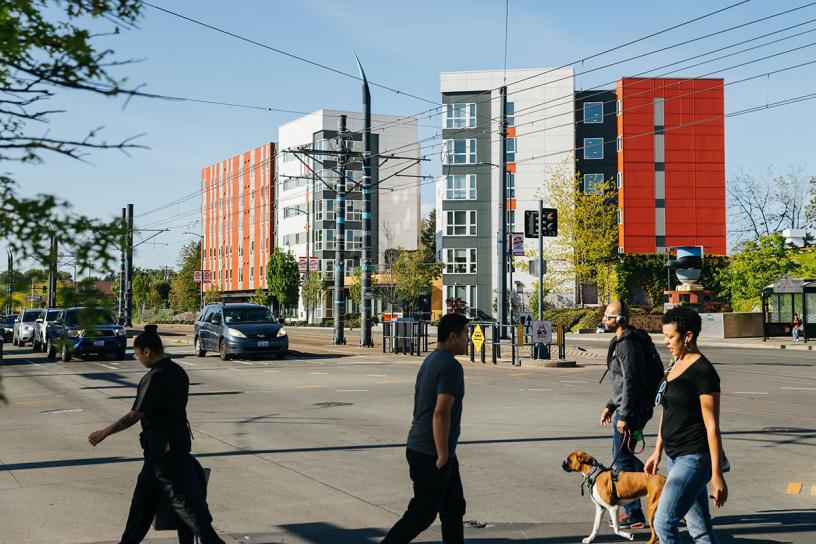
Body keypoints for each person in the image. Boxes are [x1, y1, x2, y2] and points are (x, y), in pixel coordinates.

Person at [88, 325, 224, 544]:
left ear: (148, 352)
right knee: (143, 506)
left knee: (183, 505)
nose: (137, 358)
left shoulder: (154, 377)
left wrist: (104, 433)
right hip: (171, 449)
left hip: (163, 453)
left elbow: (135, 415)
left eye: (137, 353)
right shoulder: (178, 371)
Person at [381, 313, 470, 544]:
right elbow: (441, 412)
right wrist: (442, 455)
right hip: (431, 451)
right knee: (422, 513)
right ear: (452, 336)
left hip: (431, 448)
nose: (468, 340)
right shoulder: (451, 366)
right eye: (465, 335)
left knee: (453, 507)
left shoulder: (431, 360)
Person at [645, 306, 727, 544]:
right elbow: (668, 411)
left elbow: (712, 426)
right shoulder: (674, 364)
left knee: (663, 522)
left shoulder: (703, 372)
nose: (666, 341)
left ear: (688, 336)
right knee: (699, 528)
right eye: (665, 336)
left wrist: (717, 475)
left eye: (671, 336)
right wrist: (657, 451)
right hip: (675, 456)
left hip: (694, 458)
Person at [599, 301, 652, 529]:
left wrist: (624, 415)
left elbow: (631, 382)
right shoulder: (621, 341)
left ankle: (637, 510)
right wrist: (611, 406)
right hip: (625, 407)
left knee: (621, 458)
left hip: (631, 410)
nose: (604, 319)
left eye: (607, 316)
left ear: (620, 320)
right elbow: (620, 383)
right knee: (623, 456)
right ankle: (644, 502)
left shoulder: (627, 345)